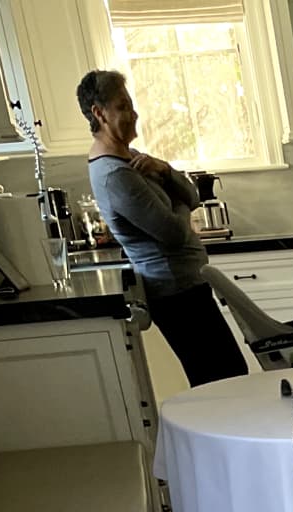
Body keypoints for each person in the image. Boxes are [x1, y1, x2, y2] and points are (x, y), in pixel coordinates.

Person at [77, 68, 247, 388]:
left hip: (188, 286)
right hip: (175, 294)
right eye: (122, 106)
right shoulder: (115, 176)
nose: (134, 114)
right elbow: (174, 233)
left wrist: (165, 170)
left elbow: (194, 196)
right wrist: (179, 207)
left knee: (225, 378)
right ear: (99, 113)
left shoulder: (133, 158)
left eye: (130, 104)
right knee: (222, 381)